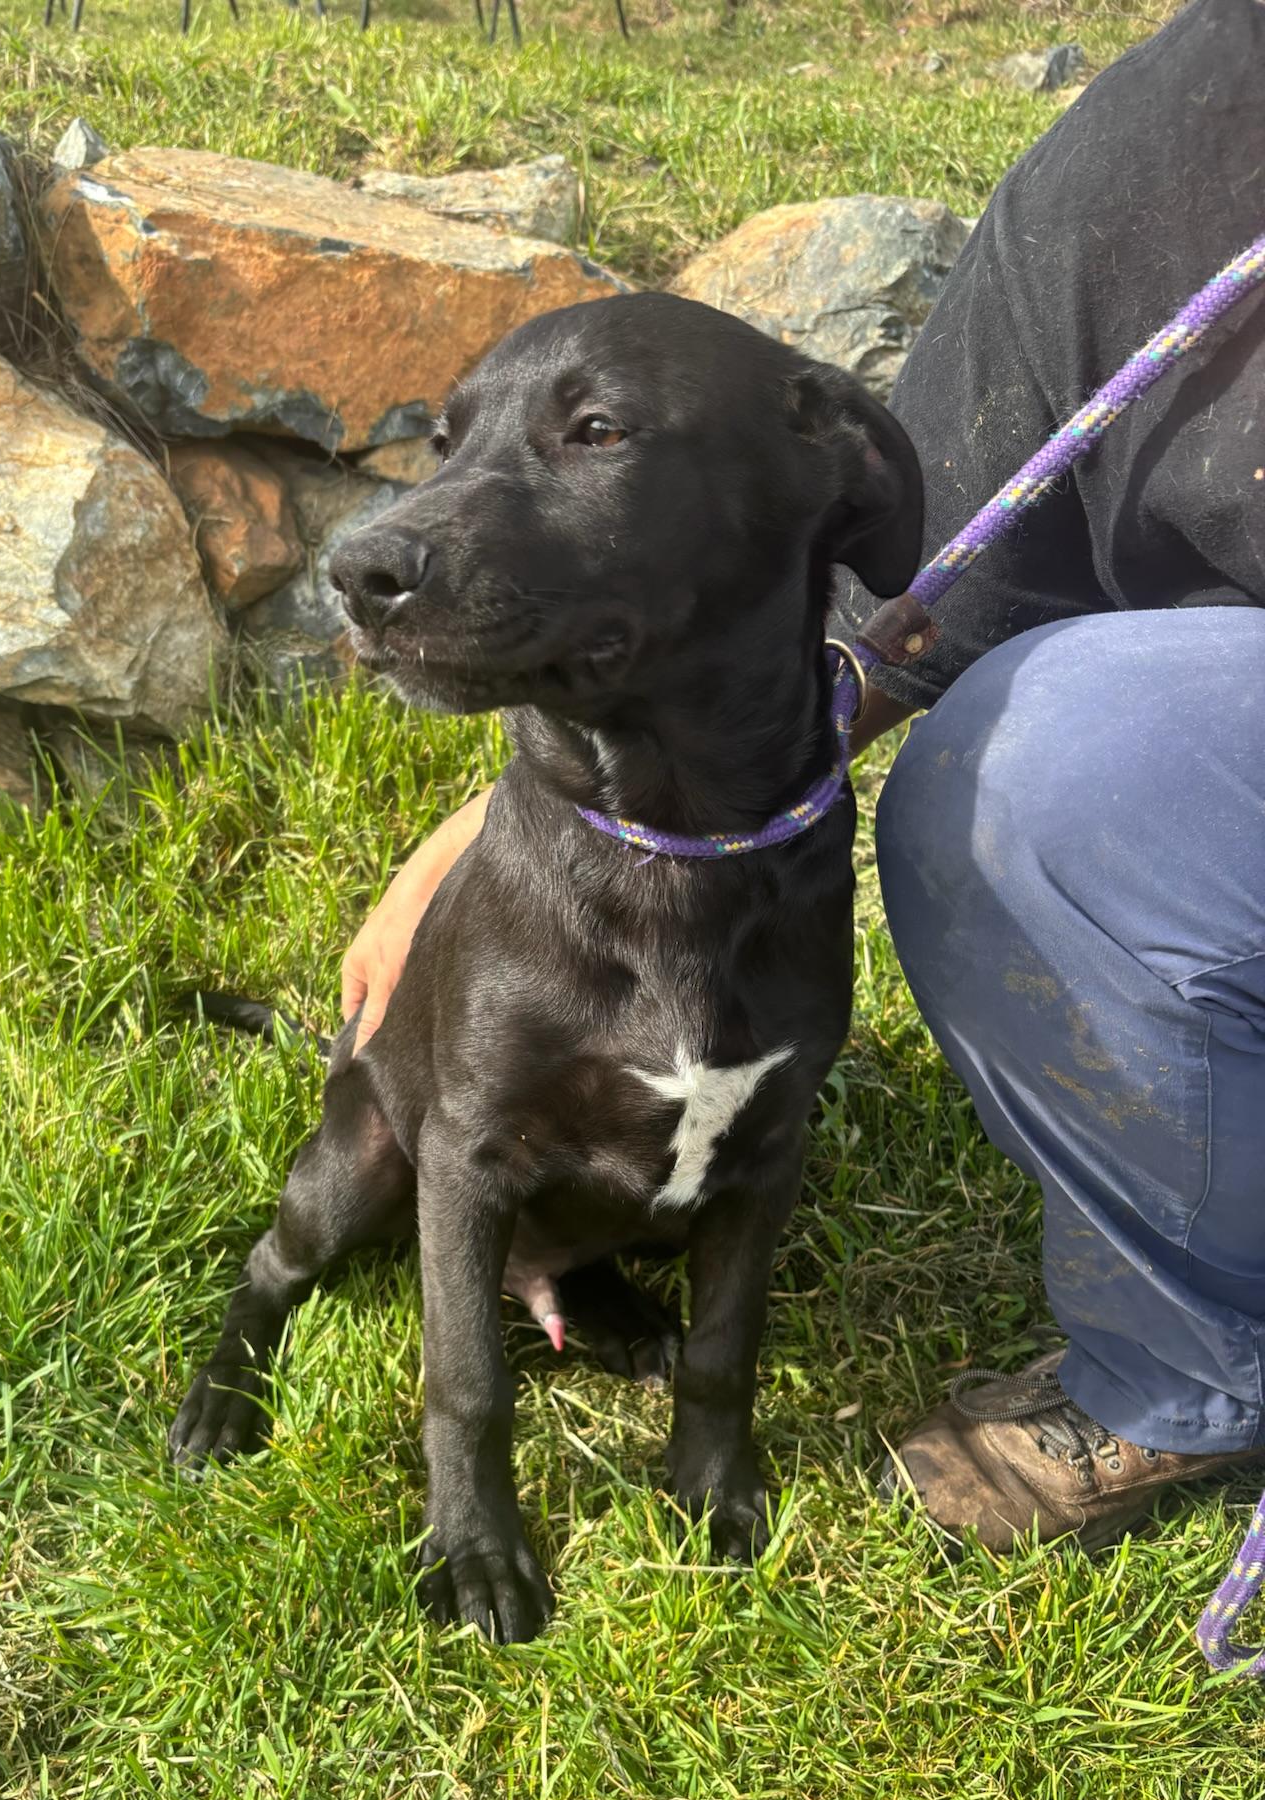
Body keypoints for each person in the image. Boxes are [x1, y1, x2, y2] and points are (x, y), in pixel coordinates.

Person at [338, 0, 1265, 1550]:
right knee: (1044, 759)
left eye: (595, 433)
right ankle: (1195, 1365)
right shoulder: (1199, 118)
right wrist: (481, 834)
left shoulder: (797, 454)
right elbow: (926, 589)